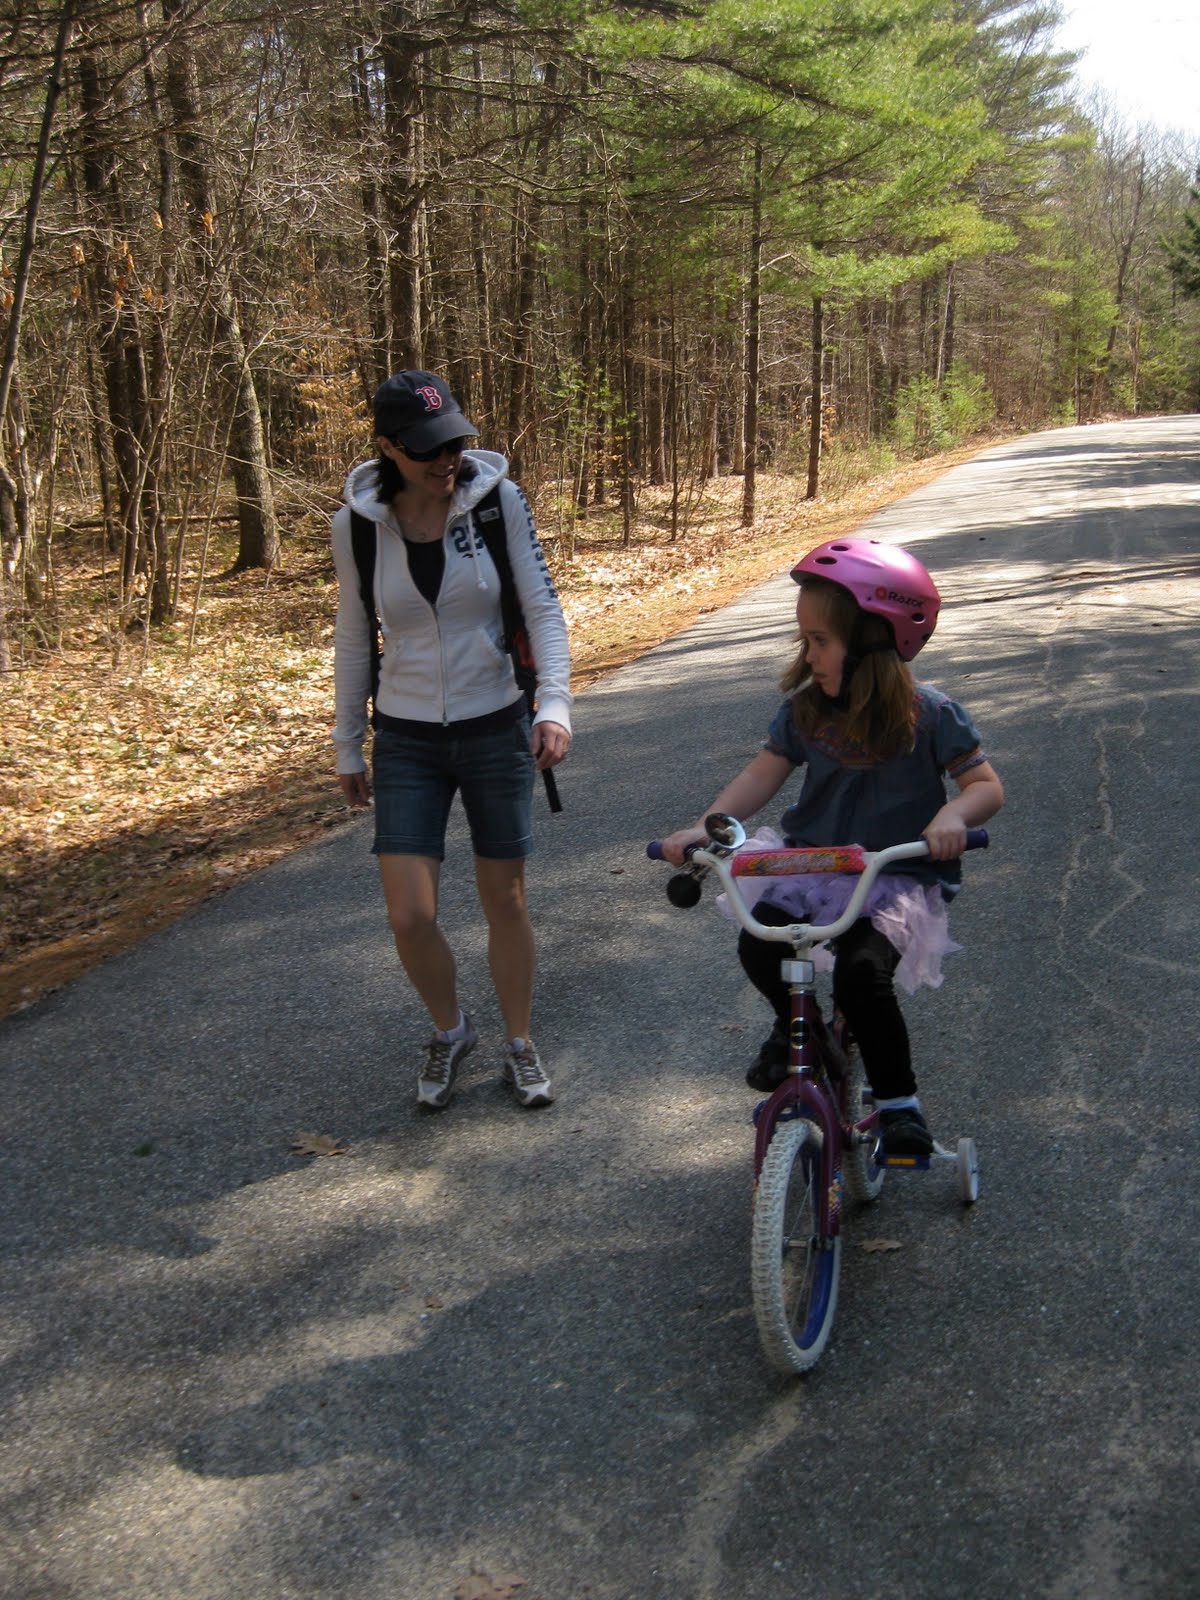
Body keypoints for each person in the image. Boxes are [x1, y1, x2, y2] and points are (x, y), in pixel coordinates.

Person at [659, 537, 1003, 1156]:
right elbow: (760, 776)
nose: (808, 654)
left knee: (862, 976)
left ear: (873, 640)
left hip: (890, 878)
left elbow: (984, 786)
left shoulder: (931, 715)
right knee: (759, 942)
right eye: (806, 641)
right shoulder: (806, 712)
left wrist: (953, 816)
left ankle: (898, 1104)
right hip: (812, 867)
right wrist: (706, 827)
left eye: (821, 641)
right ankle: (796, 1030)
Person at [331, 369, 572, 1111]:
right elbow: (353, 636)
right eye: (428, 449)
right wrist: (347, 742)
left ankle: (520, 1042)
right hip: (406, 736)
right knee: (409, 915)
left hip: (496, 722)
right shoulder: (357, 527)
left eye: (455, 443)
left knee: (506, 900)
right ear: (388, 448)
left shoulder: (498, 503)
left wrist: (554, 705)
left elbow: (542, 608)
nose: (447, 461)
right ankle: (451, 1028)